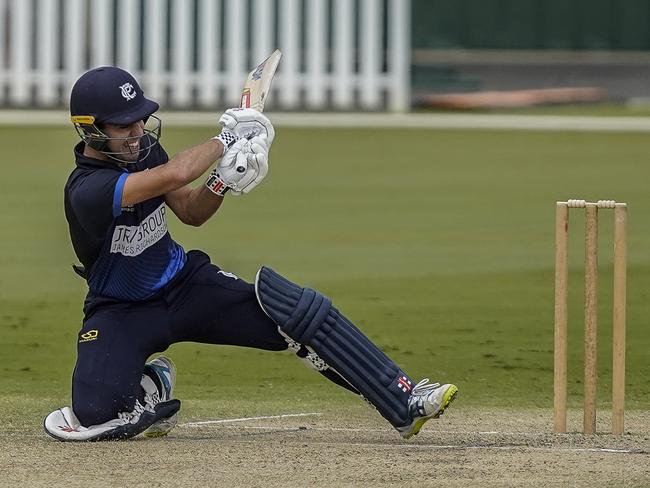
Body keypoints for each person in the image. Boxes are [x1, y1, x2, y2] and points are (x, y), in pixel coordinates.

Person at [44, 66, 458, 442]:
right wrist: (226, 139)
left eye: (140, 118)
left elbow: (191, 211)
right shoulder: (87, 190)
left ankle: (403, 397)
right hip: (120, 309)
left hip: (185, 286)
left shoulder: (146, 151)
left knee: (295, 315)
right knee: (96, 415)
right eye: (123, 125)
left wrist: (221, 183)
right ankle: (151, 384)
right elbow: (176, 174)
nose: (137, 131)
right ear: (92, 130)